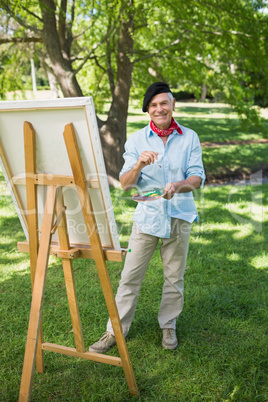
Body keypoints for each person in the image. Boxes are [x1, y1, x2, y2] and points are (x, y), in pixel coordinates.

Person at [89, 82, 205, 352]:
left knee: (174, 278)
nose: (159, 108)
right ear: (148, 111)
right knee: (129, 277)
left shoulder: (190, 137)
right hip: (147, 219)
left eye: (163, 103)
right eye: (153, 105)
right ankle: (114, 331)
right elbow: (126, 184)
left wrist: (177, 186)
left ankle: (168, 326)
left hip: (179, 216)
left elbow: (197, 178)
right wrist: (139, 163)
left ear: (173, 104)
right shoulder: (137, 140)